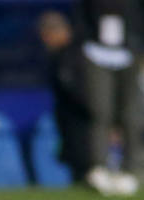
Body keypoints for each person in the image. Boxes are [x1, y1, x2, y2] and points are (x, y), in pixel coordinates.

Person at [74, 0, 144, 196]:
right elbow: (80, 12)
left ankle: (129, 169)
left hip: (130, 50)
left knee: (129, 113)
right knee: (100, 110)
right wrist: (83, 41)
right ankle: (99, 167)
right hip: (96, 50)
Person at [38, 11, 93, 185]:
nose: (45, 41)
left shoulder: (77, 54)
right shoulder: (60, 56)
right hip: (70, 120)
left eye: (46, 36)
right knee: (76, 167)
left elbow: (81, 91)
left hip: (82, 121)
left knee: (86, 165)